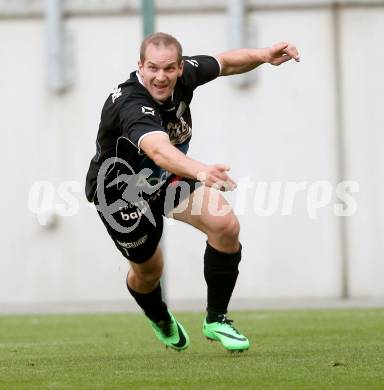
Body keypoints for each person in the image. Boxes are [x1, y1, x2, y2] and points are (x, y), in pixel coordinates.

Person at [85, 32, 300, 352]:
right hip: (120, 192)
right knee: (149, 271)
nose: (161, 77)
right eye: (153, 68)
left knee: (225, 225)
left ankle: (217, 319)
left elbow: (225, 63)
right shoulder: (131, 103)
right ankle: (158, 316)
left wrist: (264, 55)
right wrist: (199, 170)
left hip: (163, 179)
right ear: (140, 67)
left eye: (169, 69)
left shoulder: (185, 75)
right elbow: (157, 150)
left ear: (180, 67)